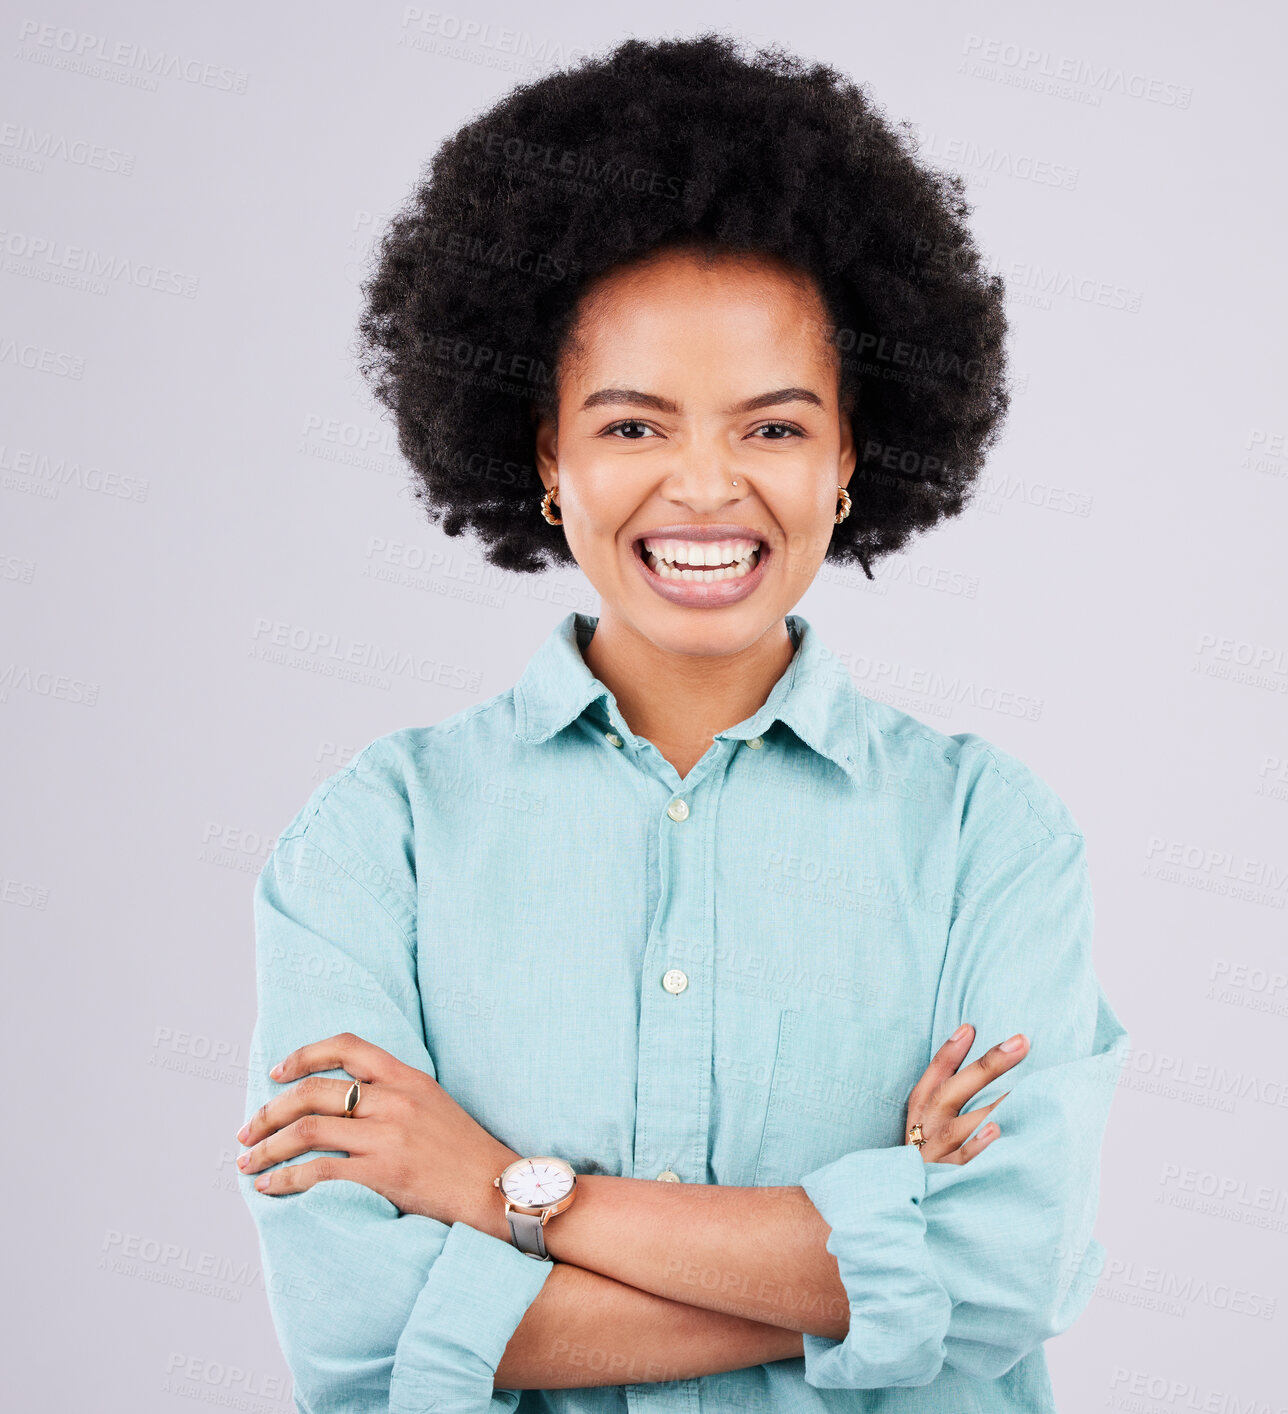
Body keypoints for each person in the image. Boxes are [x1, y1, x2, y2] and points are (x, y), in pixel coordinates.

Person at [235, 32, 1129, 1414]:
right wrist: (872, 1262)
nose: (704, 489)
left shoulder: (982, 835)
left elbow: (1013, 1265)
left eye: (771, 429)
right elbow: (355, 1322)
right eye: (633, 426)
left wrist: (498, 1190)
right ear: (546, 457)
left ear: (850, 456)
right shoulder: (381, 835)